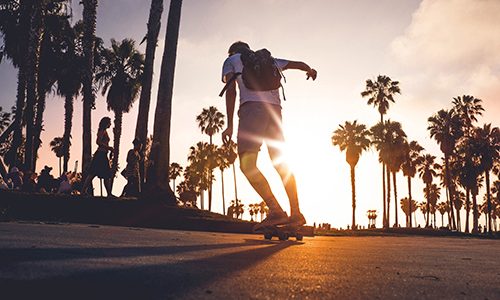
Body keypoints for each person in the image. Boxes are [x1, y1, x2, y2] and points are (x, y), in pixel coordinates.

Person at [220, 41, 317, 230]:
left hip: (252, 112)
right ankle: (296, 213)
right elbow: (296, 64)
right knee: (280, 163)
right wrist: (310, 70)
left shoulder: (231, 60)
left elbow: (230, 91)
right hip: (274, 113)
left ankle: (275, 211)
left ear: (233, 51)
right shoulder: (269, 60)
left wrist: (229, 125)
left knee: (248, 165)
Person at [82, 117, 115, 197]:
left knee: (105, 175)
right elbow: (98, 142)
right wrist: (109, 148)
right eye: (109, 122)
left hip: (103, 155)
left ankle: (109, 194)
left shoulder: (105, 131)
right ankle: (83, 191)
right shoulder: (102, 131)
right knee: (92, 173)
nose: (110, 124)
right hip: (100, 155)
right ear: (106, 123)